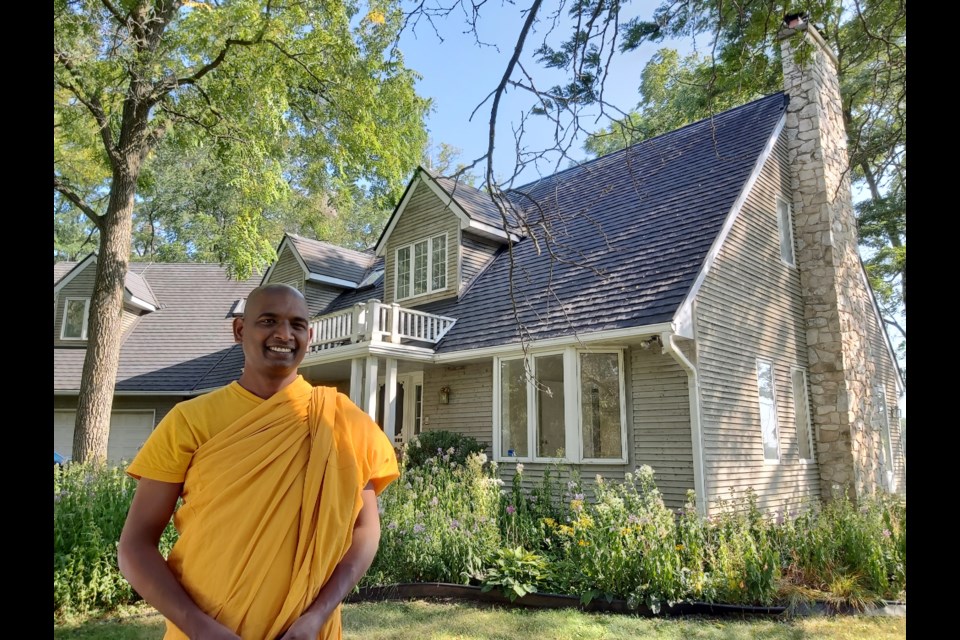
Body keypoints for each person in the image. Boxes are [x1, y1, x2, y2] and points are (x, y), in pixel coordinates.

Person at [118, 283, 399, 640]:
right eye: (268, 320)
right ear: (240, 330)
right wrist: (199, 627)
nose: (284, 334)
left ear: (309, 336)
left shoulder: (344, 422)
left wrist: (317, 616)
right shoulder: (188, 421)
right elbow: (135, 545)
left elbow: (365, 529)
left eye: (297, 325)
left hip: (308, 632)